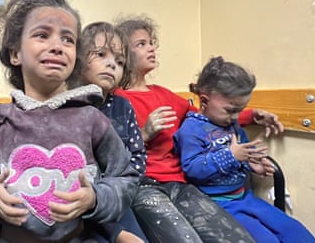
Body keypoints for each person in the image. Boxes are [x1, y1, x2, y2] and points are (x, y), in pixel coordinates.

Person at [0, 0, 139, 243]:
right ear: (15, 53)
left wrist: (96, 198)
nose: (57, 46)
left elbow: (126, 177)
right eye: (42, 35)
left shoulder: (92, 119)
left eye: (68, 39)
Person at [114, 15, 284, 243]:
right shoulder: (116, 99)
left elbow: (205, 116)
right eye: (141, 44)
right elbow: (110, 153)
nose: (151, 48)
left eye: (151, 42)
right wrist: (144, 133)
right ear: (123, 54)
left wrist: (252, 115)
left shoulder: (163, 94)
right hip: (145, 185)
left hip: (180, 183)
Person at [173, 56, 315, 243]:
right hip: (218, 204)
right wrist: (231, 156)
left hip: (244, 197)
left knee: (296, 233)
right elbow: (192, 169)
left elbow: (243, 155)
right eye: (231, 110)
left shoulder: (232, 124)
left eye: (241, 109)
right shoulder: (191, 130)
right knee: (266, 239)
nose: (236, 116)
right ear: (205, 101)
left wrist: (252, 164)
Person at [76, 21, 148, 243]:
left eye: (119, 61)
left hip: (117, 197)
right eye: (100, 54)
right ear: (78, 59)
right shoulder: (69, 107)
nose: (111, 65)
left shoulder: (122, 107)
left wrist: (118, 190)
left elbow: (137, 156)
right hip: (78, 200)